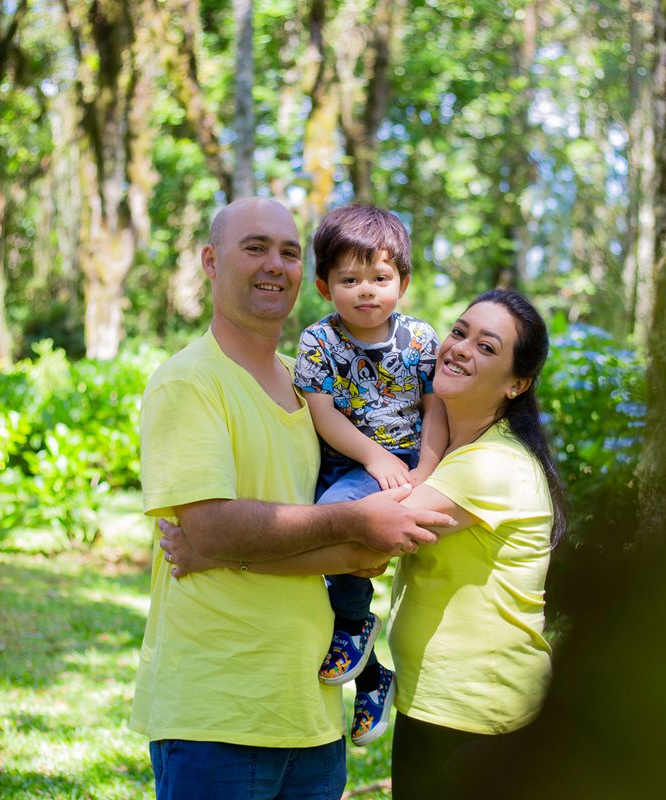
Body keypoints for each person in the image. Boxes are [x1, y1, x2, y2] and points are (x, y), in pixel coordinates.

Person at [160, 289, 568, 800]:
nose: (461, 347)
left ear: (517, 384)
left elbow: (365, 548)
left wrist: (219, 551)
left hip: (487, 712)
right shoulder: (451, 452)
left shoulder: (491, 466)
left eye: (487, 347)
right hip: (434, 702)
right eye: (460, 332)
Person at [131, 196, 453, 800]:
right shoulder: (187, 382)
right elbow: (215, 529)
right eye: (254, 247)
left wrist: (359, 534)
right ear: (210, 260)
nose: (274, 264)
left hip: (313, 710)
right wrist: (356, 526)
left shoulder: (310, 386)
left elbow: (363, 549)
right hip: (219, 713)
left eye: (287, 251)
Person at [293, 204, 449, 747]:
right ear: (323, 285)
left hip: (404, 462)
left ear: (402, 282)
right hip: (343, 460)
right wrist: (373, 457)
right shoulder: (317, 342)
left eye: (380, 278)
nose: (366, 291)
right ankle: (374, 675)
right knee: (309, 549)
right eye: (349, 279)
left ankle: (357, 629)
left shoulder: (420, 341)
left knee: (334, 525)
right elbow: (322, 413)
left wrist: (423, 470)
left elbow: (435, 409)